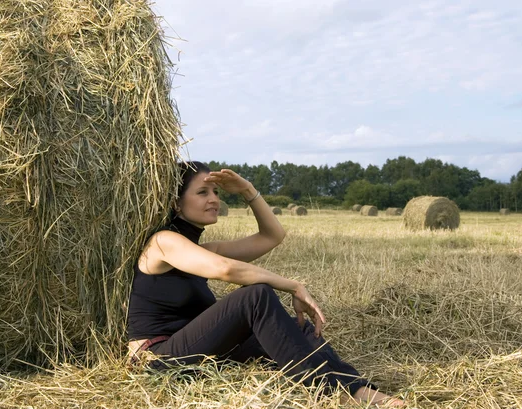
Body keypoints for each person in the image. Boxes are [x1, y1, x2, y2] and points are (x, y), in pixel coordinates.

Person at [127, 161, 404, 407]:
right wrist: (292, 285)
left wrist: (247, 189)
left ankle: (358, 390)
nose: (213, 200)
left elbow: (272, 235)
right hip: (159, 359)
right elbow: (226, 270)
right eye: (202, 192)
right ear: (176, 203)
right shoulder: (163, 242)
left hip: (201, 353)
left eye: (216, 193)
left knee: (298, 328)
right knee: (255, 296)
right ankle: (327, 393)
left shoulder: (201, 249)